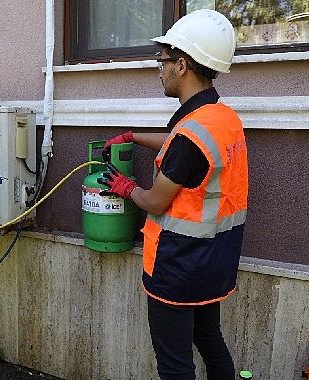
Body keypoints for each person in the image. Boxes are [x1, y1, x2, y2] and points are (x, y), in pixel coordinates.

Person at [99, 9, 248, 380]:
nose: (159, 69)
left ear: (181, 65)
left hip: (179, 269)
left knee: (175, 365)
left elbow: (154, 201)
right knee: (210, 340)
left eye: (162, 61)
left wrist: (126, 187)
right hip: (215, 263)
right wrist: (133, 136)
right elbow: (181, 150)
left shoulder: (191, 135)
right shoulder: (221, 118)